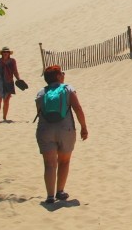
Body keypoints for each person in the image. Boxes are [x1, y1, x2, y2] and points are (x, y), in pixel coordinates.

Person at [35, 65, 88, 204]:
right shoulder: (68, 89)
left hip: (45, 130)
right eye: (62, 73)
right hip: (65, 129)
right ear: (58, 76)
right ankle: (60, 191)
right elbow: (77, 108)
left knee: (49, 164)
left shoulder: (41, 93)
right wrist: (84, 127)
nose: (64, 75)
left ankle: (50, 196)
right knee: (64, 161)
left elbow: (40, 112)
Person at [0, 47, 21, 122]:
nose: (5, 53)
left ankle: (4, 117)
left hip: (9, 81)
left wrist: (19, 80)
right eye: (4, 52)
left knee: (7, 100)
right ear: (2, 53)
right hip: (0, 81)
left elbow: (15, 71)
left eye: (7, 52)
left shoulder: (13, 61)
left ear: (9, 53)